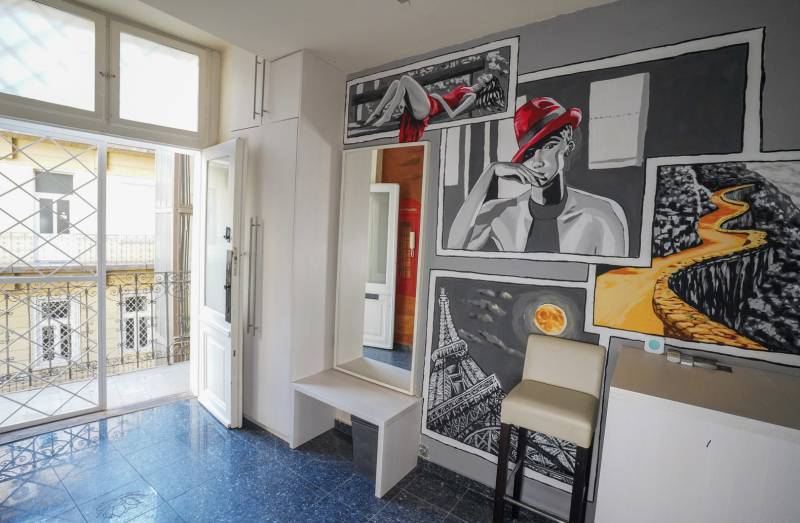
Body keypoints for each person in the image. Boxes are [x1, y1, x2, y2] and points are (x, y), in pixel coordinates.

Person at [446, 97, 629, 256]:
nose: (537, 162)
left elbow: (614, 281)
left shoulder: (603, 214)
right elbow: (453, 248)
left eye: (549, 146)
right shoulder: (499, 212)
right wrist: (490, 172)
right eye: (529, 153)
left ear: (568, 146)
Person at [364, 73, 505, 142]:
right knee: (396, 83)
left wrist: (439, 98)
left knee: (405, 79)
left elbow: (452, 114)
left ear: (487, 85)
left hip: (430, 108)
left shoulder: (472, 96)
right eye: (487, 75)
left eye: (487, 78)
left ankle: (387, 115)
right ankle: (377, 113)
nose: (484, 76)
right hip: (430, 103)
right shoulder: (468, 88)